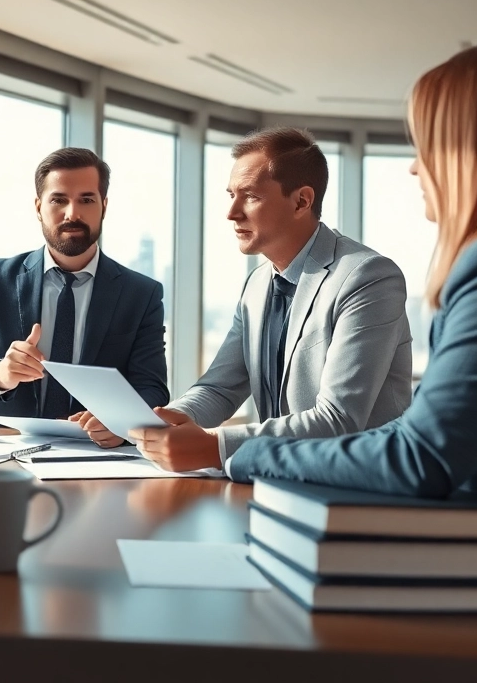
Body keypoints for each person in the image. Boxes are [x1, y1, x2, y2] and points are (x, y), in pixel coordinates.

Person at [139, 36, 477, 681]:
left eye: (427, 144)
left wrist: (224, 451)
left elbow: (420, 459)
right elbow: (425, 441)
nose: (413, 168)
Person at [78, 127, 412, 471]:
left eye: (250, 196)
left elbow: (339, 418)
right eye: (231, 195)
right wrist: (153, 423)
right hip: (278, 480)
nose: (232, 212)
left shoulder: (366, 276)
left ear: (301, 201)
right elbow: (219, 389)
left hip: (356, 490)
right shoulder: (257, 285)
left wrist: (214, 446)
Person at [0, 147, 168, 424]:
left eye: (86, 200)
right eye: (59, 200)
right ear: (38, 208)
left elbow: (153, 389)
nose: (72, 213)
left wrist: (117, 421)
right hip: (7, 453)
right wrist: (1, 374)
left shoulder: (141, 294)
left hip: (95, 454)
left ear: (104, 207)